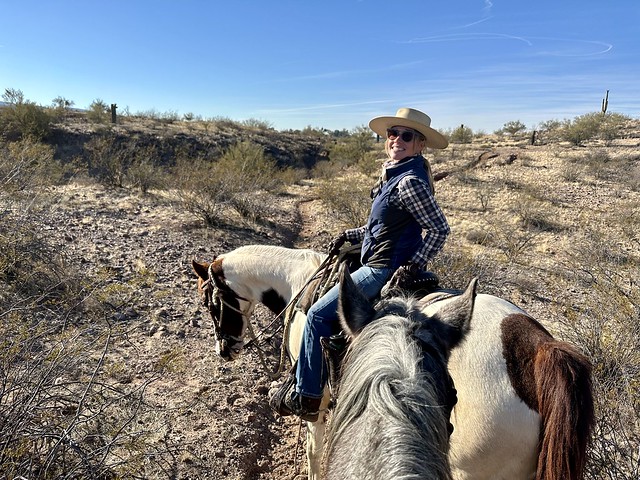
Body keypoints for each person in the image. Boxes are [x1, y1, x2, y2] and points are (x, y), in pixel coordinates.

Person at [270, 107, 451, 421]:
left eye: (406, 136)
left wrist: (413, 265)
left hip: (382, 268)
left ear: (420, 144)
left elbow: (439, 228)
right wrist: (350, 235)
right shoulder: (396, 174)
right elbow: (383, 228)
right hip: (379, 258)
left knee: (315, 315)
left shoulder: (408, 182)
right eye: (392, 133)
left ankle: (308, 396)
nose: (397, 139)